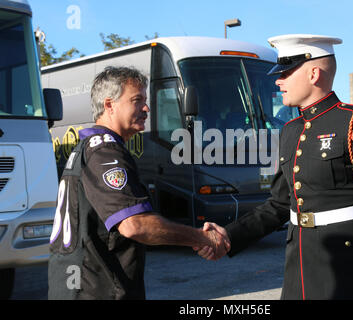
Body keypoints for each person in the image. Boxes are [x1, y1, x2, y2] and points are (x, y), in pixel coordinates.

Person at [196, 34, 353, 300]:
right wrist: (230, 235)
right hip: (299, 268)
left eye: (286, 72)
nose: (278, 80)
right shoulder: (291, 131)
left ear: (314, 73)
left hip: (348, 270)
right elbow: (279, 204)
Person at [48, 66, 229, 300]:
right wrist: (200, 238)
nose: (146, 108)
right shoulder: (105, 151)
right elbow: (135, 224)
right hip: (96, 291)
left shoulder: (88, 148)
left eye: (145, 100)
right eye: (137, 100)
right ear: (109, 105)